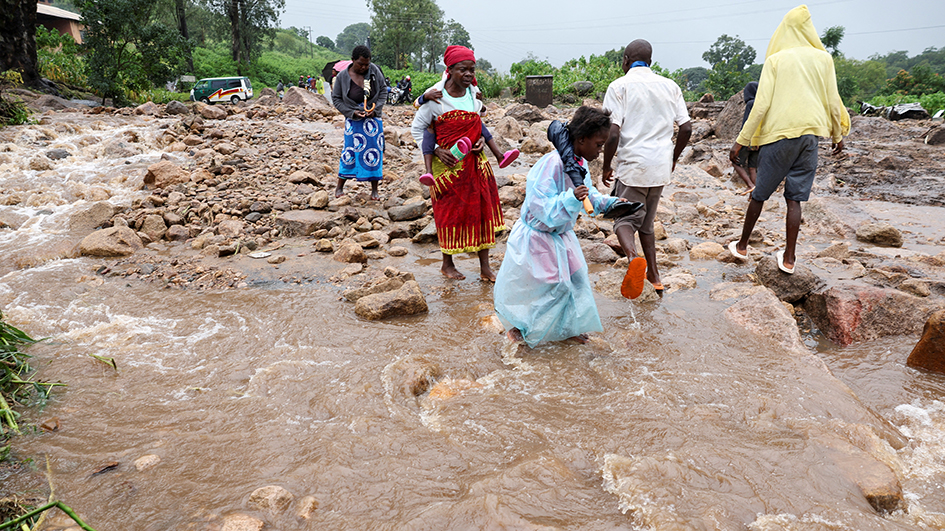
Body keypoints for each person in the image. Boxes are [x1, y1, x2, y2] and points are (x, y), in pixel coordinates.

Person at [728, 5, 849, 274]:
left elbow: (760, 106)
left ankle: (743, 245)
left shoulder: (777, 60)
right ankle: (789, 259)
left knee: (759, 195)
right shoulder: (823, 59)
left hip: (780, 137)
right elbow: (832, 101)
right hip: (810, 137)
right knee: (794, 199)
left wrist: (741, 141)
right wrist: (838, 135)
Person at [494, 107, 628, 346]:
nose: (600, 151)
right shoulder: (552, 164)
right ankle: (520, 330)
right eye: (598, 145)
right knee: (548, 288)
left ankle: (567, 328)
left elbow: (589, 195)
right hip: (538, 237)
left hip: (561, 237)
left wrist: (610, 203)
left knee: (575, 280)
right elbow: (540, 207)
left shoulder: (579, 164)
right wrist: (570, 198)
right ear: (581, 139)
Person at [602, 39, 691, 299]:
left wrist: (607, 165)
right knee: (647, 224)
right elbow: (686, 128)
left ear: (626, 59)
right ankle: (655, 275)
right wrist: (674, 157)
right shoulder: (670, 86)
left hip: (633, 164)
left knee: (623, 219)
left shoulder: (619, 86)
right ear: (650, 61)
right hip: (661, 166)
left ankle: (632, 257)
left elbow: (613, 132)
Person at [410, 45, 505, 281]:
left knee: (482, 212)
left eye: (472, 70)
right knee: (449, 214)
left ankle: (485, 268)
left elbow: (477, 124)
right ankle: (447, 264)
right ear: (449, 70)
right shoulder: (435, 99)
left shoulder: (473, 96)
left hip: (475, 165)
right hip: (448, 169)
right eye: (463, 70)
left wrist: (482, 140)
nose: (469, 75)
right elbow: (417, 129)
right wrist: (435, 149)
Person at [331, 45, 388, 201]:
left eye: (367, 64)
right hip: (353, 122)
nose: (364, 67)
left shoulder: (374, 71)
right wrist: (351, 112)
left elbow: (383, 90)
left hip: (373, 121)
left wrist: (376, 109)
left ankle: (374, 190)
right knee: (349, 152)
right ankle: (340, 186)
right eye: (361, 64)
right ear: (353, 60)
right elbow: (336, 99)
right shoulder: (343, 76)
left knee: (375, 152)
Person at [732, 81, 759, 194]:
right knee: (752, 167)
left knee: (735, 162)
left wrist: (740, 141)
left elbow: (747, 124)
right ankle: (754, 193)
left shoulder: (751, 104)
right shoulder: (761, 104)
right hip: (759, 140)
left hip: (748, 139)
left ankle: (749, 185)